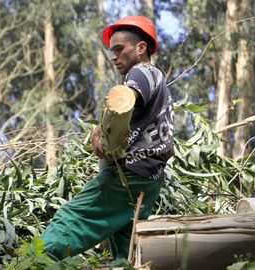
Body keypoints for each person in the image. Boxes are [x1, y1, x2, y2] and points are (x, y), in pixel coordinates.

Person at [41, 15, 174, 260]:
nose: (113, 56)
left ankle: (27, 262)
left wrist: (99, 130)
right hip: (150, 180)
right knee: (125, 248)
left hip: (128, 175)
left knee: (73, 218)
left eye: (119, 49)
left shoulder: (142, 72)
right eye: (111, 50)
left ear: (140, 48)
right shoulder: (160, 82)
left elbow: (125, 97)